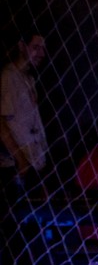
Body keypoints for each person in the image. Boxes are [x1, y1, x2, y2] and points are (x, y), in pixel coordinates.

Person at [1, 31, 48, 188]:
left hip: (34, 162)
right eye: (36, 47)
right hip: (17, 167)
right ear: (22, 46)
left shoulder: (29, 78)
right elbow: (1, 124)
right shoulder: (8, 76)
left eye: (43, 48)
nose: (42, 54)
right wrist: (21, 160)